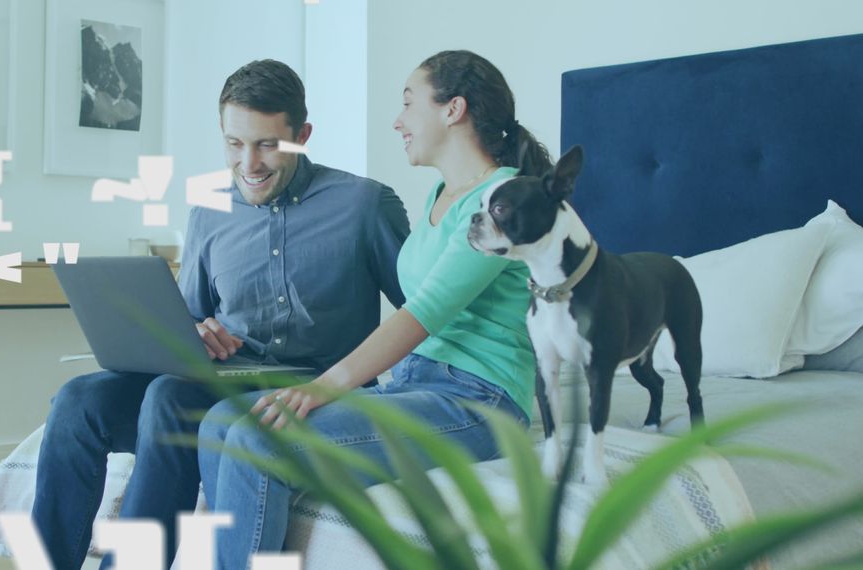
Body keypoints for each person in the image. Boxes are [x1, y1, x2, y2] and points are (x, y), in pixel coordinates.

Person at [30, 59, 410, 570]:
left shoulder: (365, 204)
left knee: (171, 396)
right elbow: (184, 320)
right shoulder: (208, 210)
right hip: (225, 378)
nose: (248, 162)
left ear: (302, 135)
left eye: (267, 145)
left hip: (310, 389)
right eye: (234, 144)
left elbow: (422, 312)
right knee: (79, 399)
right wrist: (192, 331)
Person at [197, 49, 555, 569]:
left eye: (409, 103)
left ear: (452, 109)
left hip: (478, 402)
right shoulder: (441, 193)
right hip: (416, 385)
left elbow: (423, 312)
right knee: (220, 420)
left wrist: (324, 386)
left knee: (258, 441)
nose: (397, 120)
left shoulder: (505, 199)